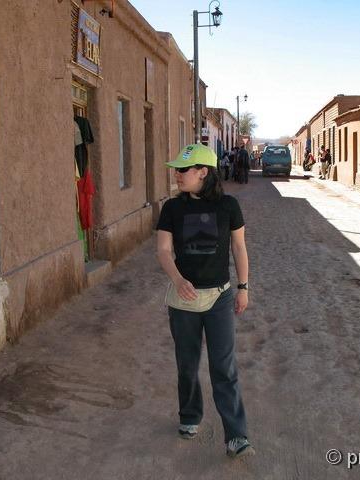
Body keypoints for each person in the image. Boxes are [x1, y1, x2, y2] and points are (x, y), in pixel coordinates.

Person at [156, 143, 255, 459]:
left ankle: (236, 436)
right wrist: (177, 279)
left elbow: (239, 248)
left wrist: (243, 287)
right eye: (176, 170)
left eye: (182, 170)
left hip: (220, 298)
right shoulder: (172, 208)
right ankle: (189, 416)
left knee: (223, 367)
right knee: (186, 365)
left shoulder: (229, 206)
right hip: (183, 300)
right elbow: (162, 250)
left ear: (203, 172)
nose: (177, 175)